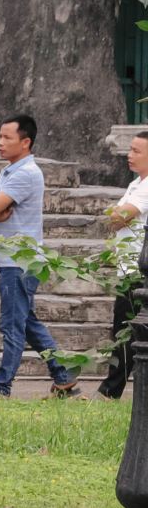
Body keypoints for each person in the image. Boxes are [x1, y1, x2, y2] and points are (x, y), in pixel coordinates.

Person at [0, 114, 77, 399]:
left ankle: (1, 386)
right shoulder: (9, 170)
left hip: (19, 261)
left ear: (25, 142)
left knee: (12, 324)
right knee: (27, 322)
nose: (0, 142)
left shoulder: (26, 173)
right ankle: (63, 375)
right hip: (10, 259)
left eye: (7, 137)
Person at [98, 130, 148, 399]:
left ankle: (110, 390)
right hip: (128, 269)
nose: (130, 155)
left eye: (136, 151)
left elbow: (119, 216)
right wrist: (117, 217)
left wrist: (117, 217)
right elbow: (115, 218)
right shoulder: (135, 184)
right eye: (130, 149)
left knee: (127, 332)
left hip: (138, 272)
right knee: (124, 330)